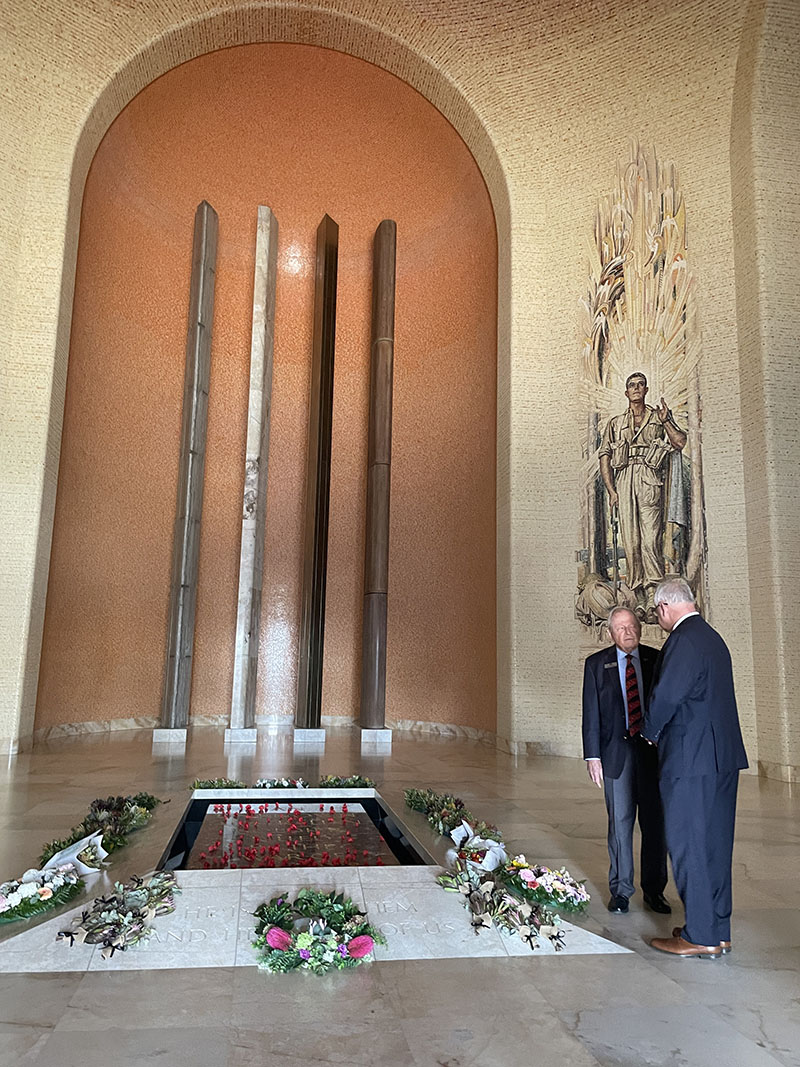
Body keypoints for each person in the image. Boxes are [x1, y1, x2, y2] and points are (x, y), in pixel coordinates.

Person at [645, 577, 748, 959]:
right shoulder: (712, 638)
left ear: (664, 608)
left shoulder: (683, 641)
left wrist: (650, 732)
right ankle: (717, 928)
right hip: (721, 760)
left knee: (689, 844)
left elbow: (667, 696)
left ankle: (699, 933)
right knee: (716, 846)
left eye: (658, 613)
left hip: (690, 761)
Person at [582, 605, 670, 915]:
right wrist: (592, 756)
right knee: (619, 825)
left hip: (651, 756)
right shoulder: (596, 664)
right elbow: (590, 714)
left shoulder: (655, 659)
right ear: (610, 633)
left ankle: (655, 891)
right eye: (621, 628)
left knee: (654, 825)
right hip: (616, 757)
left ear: (640, 628)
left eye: (632, 626)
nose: (628, 632)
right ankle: (620, 890)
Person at [598, 373, 686, 613]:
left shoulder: (658, 418)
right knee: (632, 541)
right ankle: (638, 594)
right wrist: (611, 490)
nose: (636, 389)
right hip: (624, 479)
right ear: (626, 393)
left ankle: (652, 593)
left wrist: (667, 421)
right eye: (631, 386)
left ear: (646, 390)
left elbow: (679, 442)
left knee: (650, 540)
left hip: (649, 478)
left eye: (640, 385)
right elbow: (604, 455)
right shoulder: (615, 423)